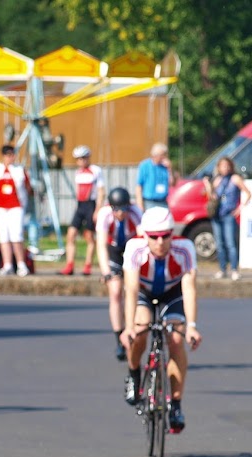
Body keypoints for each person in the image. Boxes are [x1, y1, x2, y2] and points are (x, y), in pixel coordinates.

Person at [119, 207, 202, 433]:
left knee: (176, 340)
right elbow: (132, 289)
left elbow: (189, 289)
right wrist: (128, 328)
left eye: (166, 235)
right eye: (154, 237)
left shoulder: (184, 249)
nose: (160, 242)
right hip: (145, 292)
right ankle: (134, 373)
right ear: (144, 235)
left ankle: (175, 404)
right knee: (140, 332)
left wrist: (192, 327)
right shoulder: (134, 248)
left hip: (172, 294)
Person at [96, 187, 143, 360]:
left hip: (132, 248)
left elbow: (143, 239)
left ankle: (135, 329)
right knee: (115, 292)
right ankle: (118, 338)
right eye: (117, 209)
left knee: (133, 290)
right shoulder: (104, 215)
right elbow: (101, 245)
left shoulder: (136, 212)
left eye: (124, 209)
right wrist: (106, 272)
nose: (121, 213)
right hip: (114, 249)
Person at [0, 145, 32, 277]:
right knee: (4, 236)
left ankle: (21, 264)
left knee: (16, 235)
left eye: (12, 155)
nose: (10, 157)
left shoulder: (19, 170)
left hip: (15, 206)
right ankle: (7, 265)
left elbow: (27, 187)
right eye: (8, 155)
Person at [60, 145, 106, 276]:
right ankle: (69, 264)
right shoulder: (78, 173)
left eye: (82, 159)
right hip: (80, 206)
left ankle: (88, 265)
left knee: (89, 236)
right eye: (78, 159)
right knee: (71, 234)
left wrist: (97, 209)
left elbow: (101, 191)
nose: (80, 162)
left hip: (90, 205)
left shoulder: (95, 171)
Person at [204, 156, 252, 280]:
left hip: (229, 214)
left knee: (231, 243)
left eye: (227, 166)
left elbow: (248, 193)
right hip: (217, 215)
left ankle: (234, 269)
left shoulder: (235, 179)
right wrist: (208, 185)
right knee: (220, 243)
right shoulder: (217, 180)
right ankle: (222, 268)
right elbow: (212, 197)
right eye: (222, 166)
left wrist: (239, 208)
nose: (225, 168)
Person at [135, 142, 176, 213]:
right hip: (149, 202)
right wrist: (140, 203)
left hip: (163, 202)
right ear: (155, 155)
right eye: (162, 155)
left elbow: (172, 184)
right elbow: (139, 186)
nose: (164, 158)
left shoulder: (165, 167)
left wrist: (170, 169)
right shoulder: (145, 165)